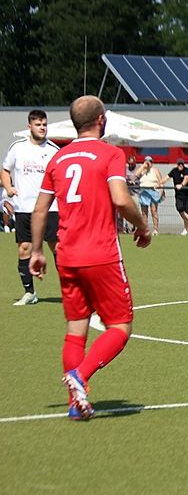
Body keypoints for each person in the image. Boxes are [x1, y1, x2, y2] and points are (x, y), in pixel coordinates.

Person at [29, 95, 152, 421]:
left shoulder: (58, 158)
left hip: (67, 255)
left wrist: (38, 251)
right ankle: (80, 375)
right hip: (101, 254)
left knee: (76, 329)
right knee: (120, 327)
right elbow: (121, 199)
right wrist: (143, 226)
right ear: (101, 120)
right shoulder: (110, 154)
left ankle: (76, 403)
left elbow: (40, 210)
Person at [2, 109, 60, 306]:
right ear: (29, 126)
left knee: (57, 248)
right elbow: (5, 170)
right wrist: (8, 187)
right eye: (38, 124)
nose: (42, 128)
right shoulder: (17, 148)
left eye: (44, 124)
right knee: (24, 249)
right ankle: (30, 293)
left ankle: (71, 290)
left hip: (50, 208)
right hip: (24, 208)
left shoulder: (53, 150)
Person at [135, 156, 167, 235]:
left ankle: (155, 229)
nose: (148, 163)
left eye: (149, 161)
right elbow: (136, 175)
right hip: (143, 191)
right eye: (146, 161)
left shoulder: (155, 170)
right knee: (144, 212)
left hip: (153, 191)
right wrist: (143, 167)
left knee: (154, 211)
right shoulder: (142, 170)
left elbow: (161, 181)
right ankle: (145, 229)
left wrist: (162, 191)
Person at [168, 158, 188, 235]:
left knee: (187, 211)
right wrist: (159, 183)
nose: (180, 165)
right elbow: (166, 178)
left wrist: (181, 185)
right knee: (180, 209)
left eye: (182, 164)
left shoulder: (186, 170)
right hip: (179, 195)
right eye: (179, 164)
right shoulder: (174, 171)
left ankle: (186, 229)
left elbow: (186, 178)